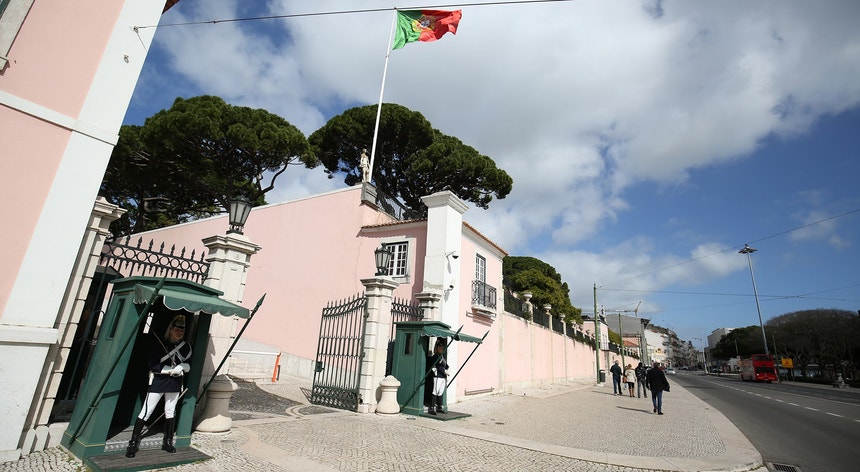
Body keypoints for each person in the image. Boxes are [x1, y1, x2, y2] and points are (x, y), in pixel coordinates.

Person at [126, 315, 192, 458]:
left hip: (175, 383)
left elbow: (189, 363)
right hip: (160, 381)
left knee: (170, 411)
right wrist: (169, 369)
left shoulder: (186, 347)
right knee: (146, 410)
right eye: (177, 328)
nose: (179, 331)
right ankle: (133, 442)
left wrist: (182, 366)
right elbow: (153, 364)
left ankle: (167, 441)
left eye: (182, 329)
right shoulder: (160, 344)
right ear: (170, 329)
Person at [428, 339, 449, 415]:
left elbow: (446, 365)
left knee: (440, 392)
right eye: (440, 348)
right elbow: (438, 366)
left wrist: (447, 369)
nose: (441, 350)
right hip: (437, 376)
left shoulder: (442, 357)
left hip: (443, 377)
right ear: (436, 348)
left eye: (442, 348)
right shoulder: (435, 357)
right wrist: (444, 371)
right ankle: (431, 407)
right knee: (435, 391)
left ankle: (439, 407)